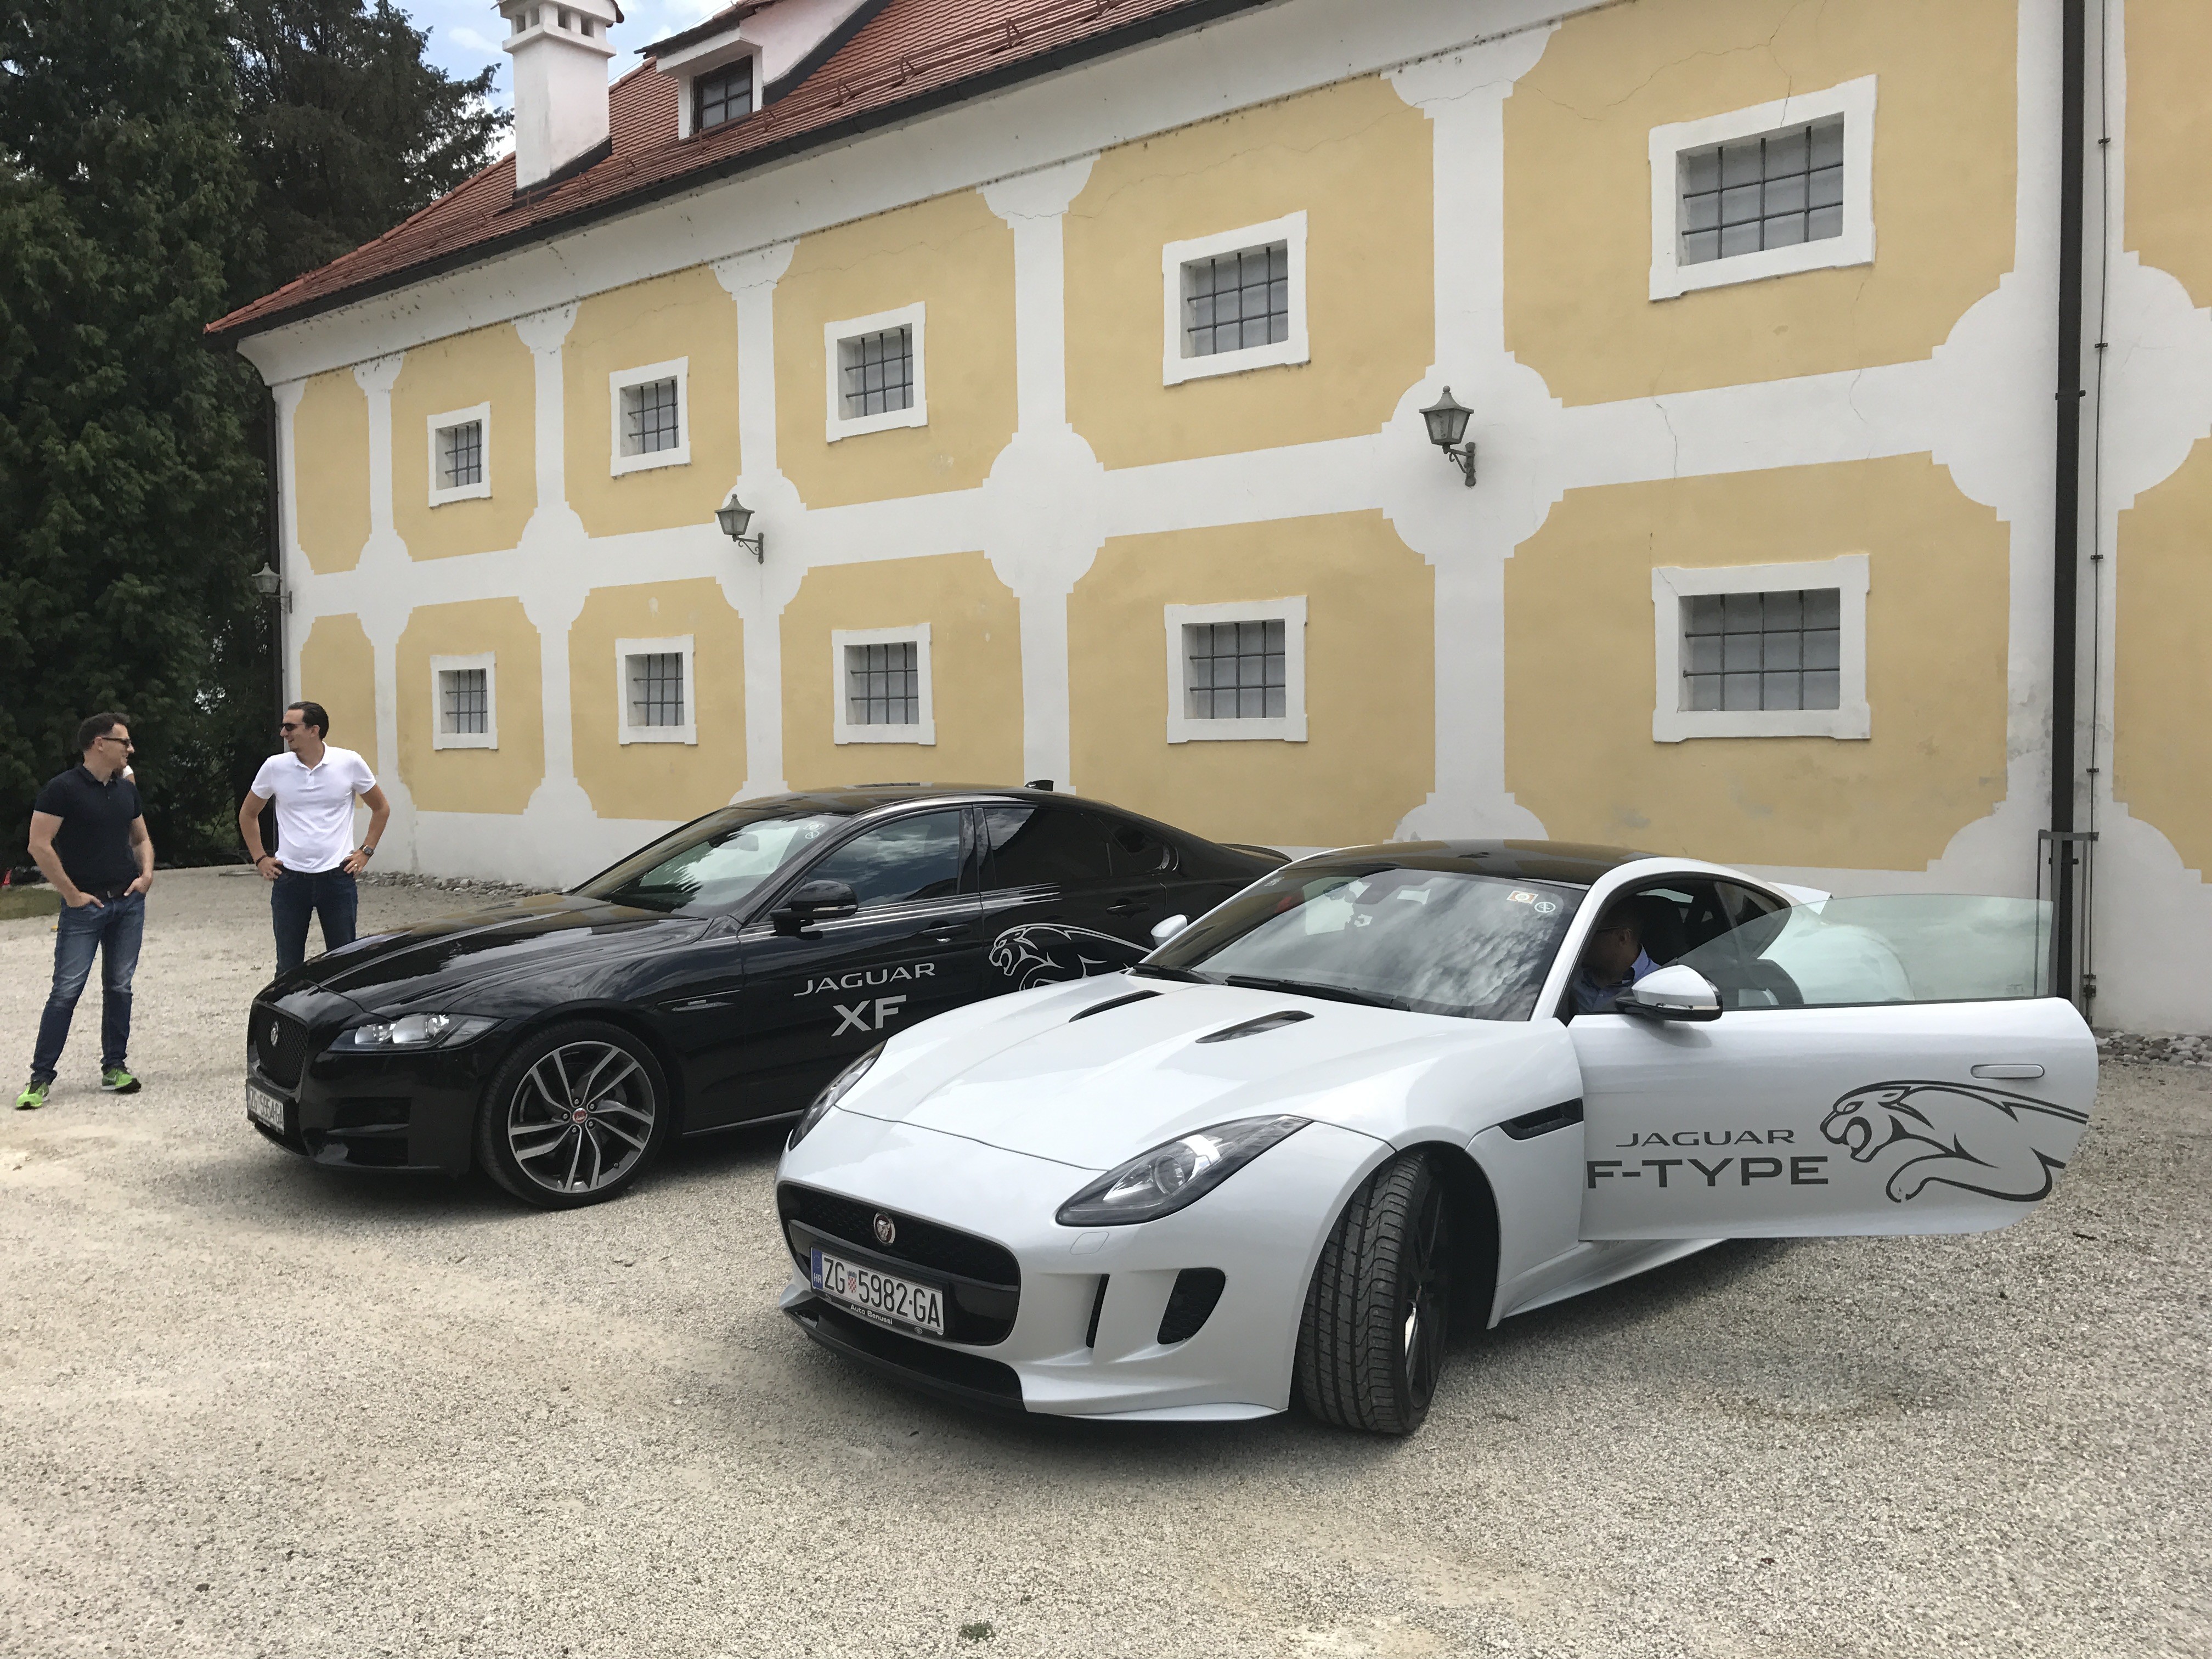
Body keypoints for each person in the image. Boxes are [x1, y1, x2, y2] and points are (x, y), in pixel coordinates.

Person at [17, 714, 155, 1109]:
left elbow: (141, 838)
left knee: (120, 987)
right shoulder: (62, 789)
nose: (130, 749)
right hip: (85, 907)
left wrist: (146, 875)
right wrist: (71, 894)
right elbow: (39, 844)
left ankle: (115, 1067)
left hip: (127, 903)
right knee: (66, 990)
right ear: (99, 743)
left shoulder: (126, 790)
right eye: (124, 742)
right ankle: (40, 1078)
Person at [238, 701, 390, 976]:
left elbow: (381, 808)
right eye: (283, 727)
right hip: (290, 879)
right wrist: (260, 859)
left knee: (344, 964)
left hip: (337, 877)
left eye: (290, 727)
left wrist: (365, 852)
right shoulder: (275, 767)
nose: (283, 733)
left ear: (314, 730)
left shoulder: (349, 763)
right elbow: (248, 814)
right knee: (288, 968)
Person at [1567, 899, 1661, 1017]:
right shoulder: (1566, 974)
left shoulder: (1659, 987)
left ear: (1622, 937)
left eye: (1589, 933)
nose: (1579, 941)